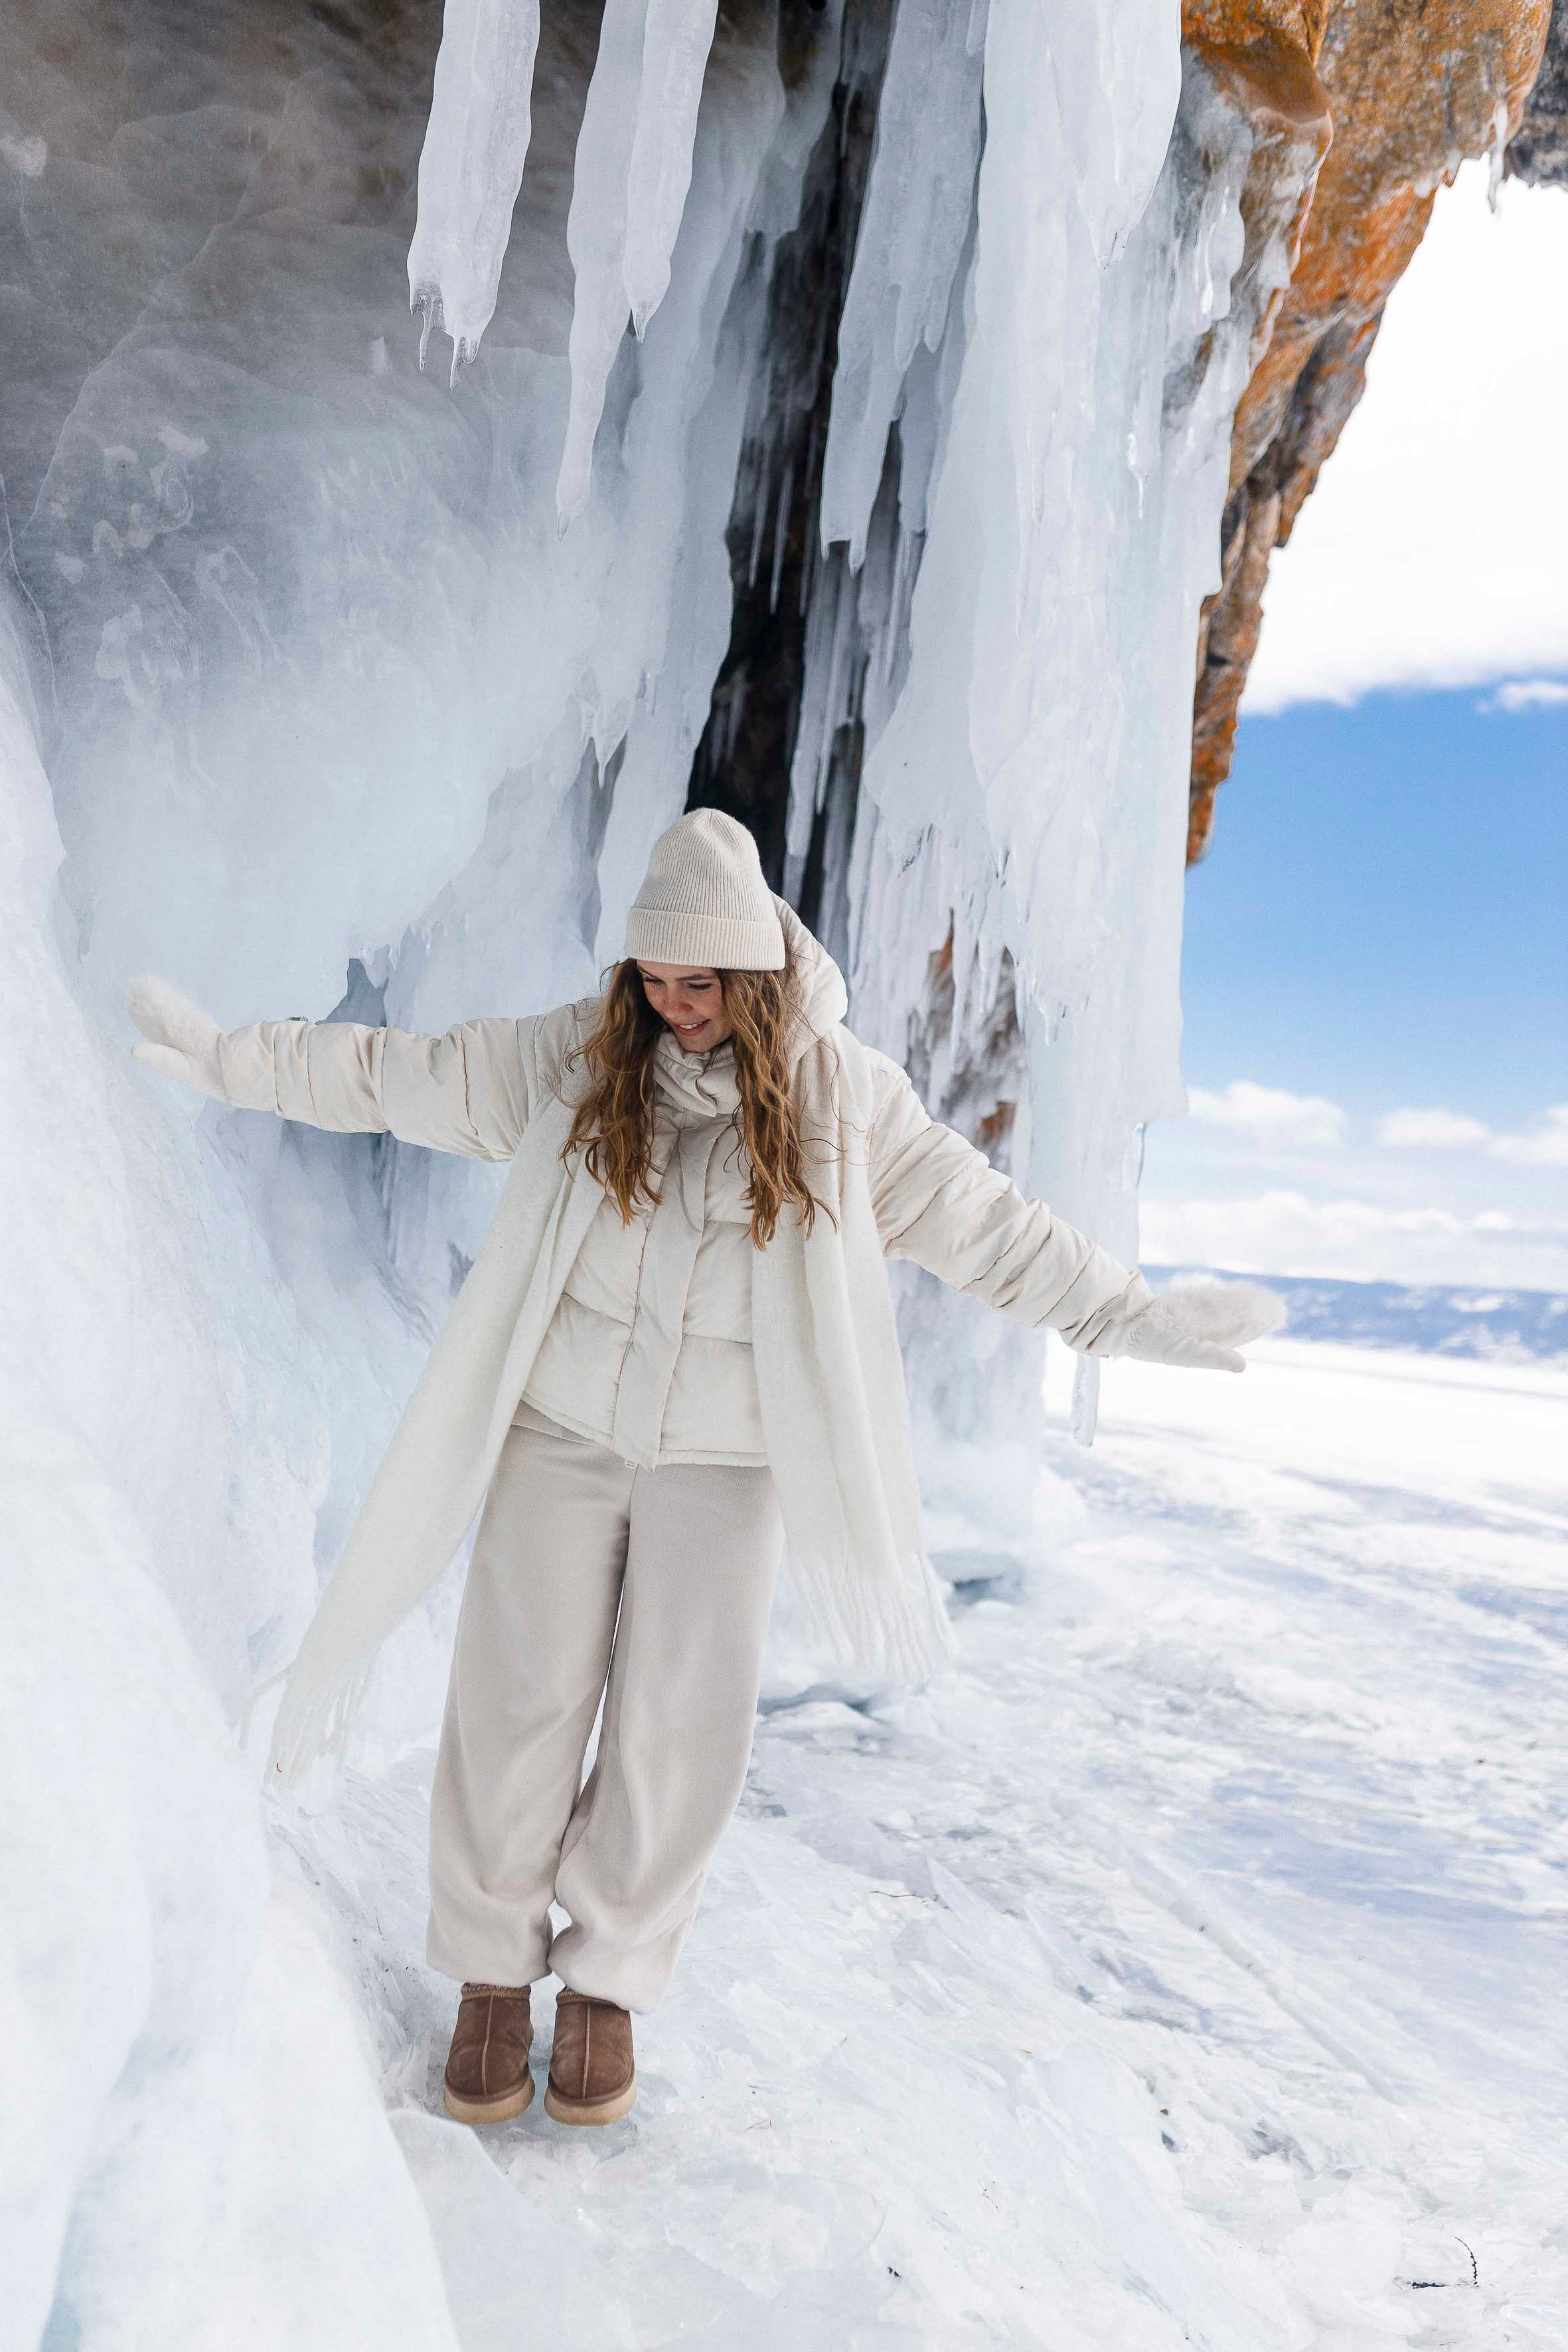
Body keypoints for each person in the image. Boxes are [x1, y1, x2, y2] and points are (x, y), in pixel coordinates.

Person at [128, 809, 1277, 2129]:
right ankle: (492, 1973)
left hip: (727, 1465)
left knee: (680, 1725)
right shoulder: (574, 1058)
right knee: (516, 1697)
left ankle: (608, 1976)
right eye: (656, 980)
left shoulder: (848, 1104)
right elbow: (404, 1072)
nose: (676, 1007)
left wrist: (1134, 1317)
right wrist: (232, 1060)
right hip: (561, 1434)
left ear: (756, 971)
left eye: (700, 982)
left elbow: (990, 1228)